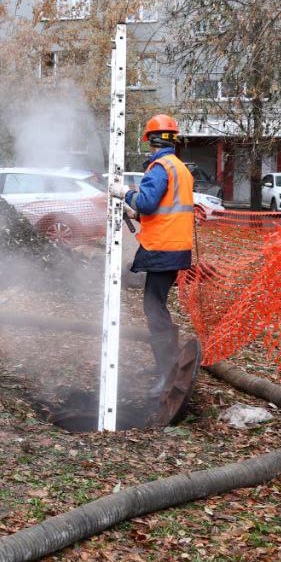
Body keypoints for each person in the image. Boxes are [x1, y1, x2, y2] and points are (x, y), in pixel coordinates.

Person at [108, 114, 194, 376]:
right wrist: (135, 215)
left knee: (153, 306)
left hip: (163, 248)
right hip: (177, 247)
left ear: (150, 140)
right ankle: (167, 363)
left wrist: (123, 192)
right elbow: (164, 209)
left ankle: (166, 367)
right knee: (156, 303)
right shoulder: (180, 167)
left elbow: (146, 201)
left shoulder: (160, 168)